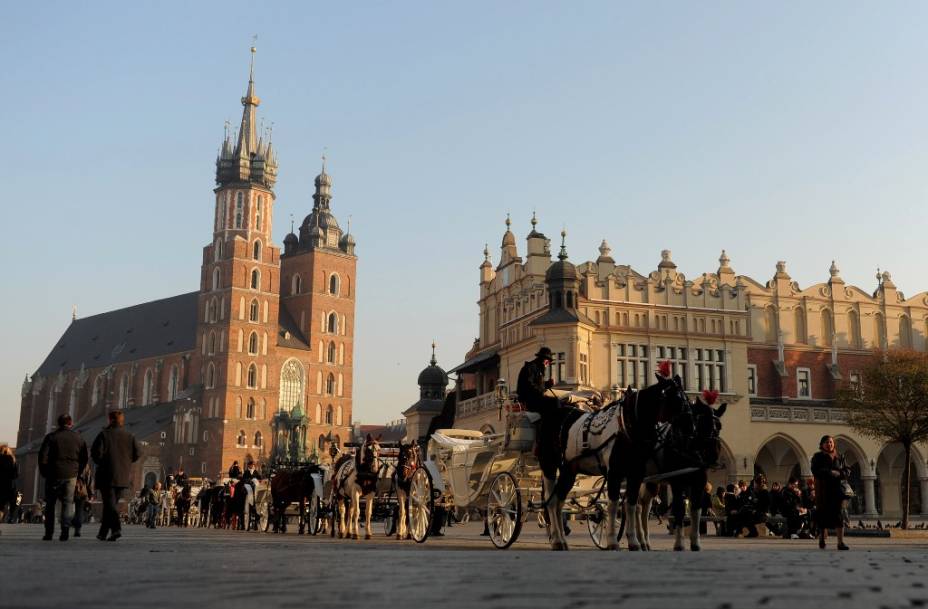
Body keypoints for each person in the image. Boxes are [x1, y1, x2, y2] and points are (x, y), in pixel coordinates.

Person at [91, 410, 140, 542]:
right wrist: (126, 463)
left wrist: (103, 462)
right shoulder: (130, 436)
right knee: (111, 504)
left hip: (106, 475)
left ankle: (116, 528)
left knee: (110, 504)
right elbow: (137, 454)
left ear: (110, 420)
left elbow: (95, 454)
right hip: (122, 476)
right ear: (122, 421)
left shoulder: (104, 435)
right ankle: (103, 533)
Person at [38, 414, 88, 541]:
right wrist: (78, 471)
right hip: (71, 475)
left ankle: (49, 533)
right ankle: (64, 531)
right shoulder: (78, 438)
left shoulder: (51, 437)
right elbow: (84, 458)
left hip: (53, 474)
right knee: (67, 503)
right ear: (71, 423)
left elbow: (42, 456)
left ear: (59, 423)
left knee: (50, 504)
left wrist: (45, 472)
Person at [811, 435, 850, 550]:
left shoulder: (840, 456)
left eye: (831, 442)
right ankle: (822, 539)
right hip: (823, 491)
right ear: (822, 444)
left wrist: (840, 473)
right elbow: (815, 470)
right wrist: (830, 472)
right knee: (822, 516)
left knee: (840, 516)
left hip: (837, 490)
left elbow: (847, 470)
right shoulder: (818, 457)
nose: (829, 444)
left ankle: (840, 542)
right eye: (827, 442)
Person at [71, 461, 93, 537]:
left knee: (67, 507)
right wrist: (90, 493)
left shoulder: (69, 462)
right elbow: (89, 479)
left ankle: (69, 525)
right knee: (79, 510)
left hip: (70, 488)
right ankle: (77, 529)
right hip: (81, 490)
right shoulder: (85, 465)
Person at [0, 444, 18, 530]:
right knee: (14, 502)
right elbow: (16, 474)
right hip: (11, 485)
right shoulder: (12, 459)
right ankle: (11, 517)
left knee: (1, 505)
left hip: (1, 485)